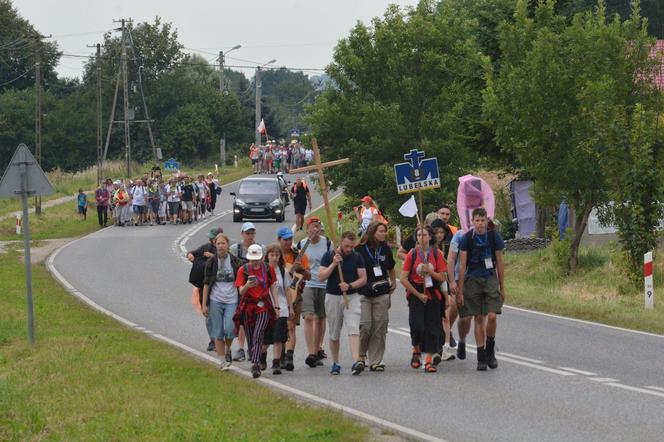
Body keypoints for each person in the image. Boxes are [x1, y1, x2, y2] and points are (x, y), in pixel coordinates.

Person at [457, 207, 506, 371]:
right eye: (477, 220)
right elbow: (463, 265)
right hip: (473, 279)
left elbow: (500, 261)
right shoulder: (466, 239)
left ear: (487, 221)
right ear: (472, 221)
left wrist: (502, 286)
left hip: (490, 277)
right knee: (478, 317)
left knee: (491, 316)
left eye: (482, 220)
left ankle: (490, 349)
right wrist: (460, 290)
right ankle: (481, 356)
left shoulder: (493, 237)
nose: (480, 224)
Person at [318, 231, 367, 375]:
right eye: (346, 246)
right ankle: (335, 362)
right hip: (333, 296)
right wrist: (333, 264)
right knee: (334, 332)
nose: (349, 249)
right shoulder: (329, 255)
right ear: (340, 242)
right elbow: (321, 276)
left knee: (353, 327)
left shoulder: (357, 257)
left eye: (351, 247)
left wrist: (350, 286)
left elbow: (363, 278)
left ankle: (356, 361)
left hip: (352, 296)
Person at [400, 226, 447, 373]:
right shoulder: (412, 254)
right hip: (416, 293)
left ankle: (428, 361)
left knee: (432, 327)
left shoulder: (437, 254)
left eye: (424, 234)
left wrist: (430, 271)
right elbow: (403, 278)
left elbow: (442, 277)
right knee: (417, 326)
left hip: (433, 293)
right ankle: (416, 351)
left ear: (430, 237)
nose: (421, 237)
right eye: (419, 234)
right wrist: (418, 294)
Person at [234, 244, 280, 378]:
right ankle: (254, 355)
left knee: (258, 333)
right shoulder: (243, 270)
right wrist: (248, 285)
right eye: (252, 258)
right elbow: (241, 292)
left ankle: (255, 363)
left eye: (257, 258)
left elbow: (273, 287)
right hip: (248, 305)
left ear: (261, 258)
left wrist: (276, 306)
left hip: (264, 305)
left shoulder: (268, 269)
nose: (255, 261)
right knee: (250, 336)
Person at [356, 221, 396, 371]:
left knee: (380, 326)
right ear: (372, 232)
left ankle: (376, 360)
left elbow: (391, 266)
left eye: (385, 231)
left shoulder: (385, 249)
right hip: (364, 293)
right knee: (365, 326)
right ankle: (360, 356)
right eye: (381, 231)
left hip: (382, 292)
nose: (384, 234)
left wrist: (393, 281)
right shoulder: (359, 249)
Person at [202, 233, 243, 370]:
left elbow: (241, 282)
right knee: (218, 332)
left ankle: (227, 349)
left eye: (223, 243)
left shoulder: (236, 262)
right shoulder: (211, 262)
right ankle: (222, 360)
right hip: (215, 300)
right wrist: (204, 304)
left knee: (230, 330)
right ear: (215, 245)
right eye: (218, 243)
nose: (220, 246)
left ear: (227, 244)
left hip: (232, 299)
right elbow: (206, 284)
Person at [299, 216, 332, 368]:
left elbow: (333, 262)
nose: (315, 229)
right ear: (307, 229)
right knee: (309, 317)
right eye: (312, 226)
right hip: (308, 283)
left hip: (324, 284)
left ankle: (318, 347)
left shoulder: (327, 243)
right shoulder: (302, 244)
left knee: (320, 318)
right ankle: (311, 352)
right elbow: (297, 263)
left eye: (318, 226)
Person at [230, 222, 265, 361]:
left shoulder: (261, 248)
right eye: (247, 233)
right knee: (243, 319)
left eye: (252, 233)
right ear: (242, 234)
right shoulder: (235, 249)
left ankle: (255, 348)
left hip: (257, 289)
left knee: (257, 320)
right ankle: (240, 348)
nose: (250, 236)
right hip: (241, 287)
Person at [278, 227, 311, 371]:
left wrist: (301, 270)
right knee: (280, 327)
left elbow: (309, 276)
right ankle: (281, 355)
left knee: (291, 326)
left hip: (294, 295)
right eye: (285, 239)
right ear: (279, 239)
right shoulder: (273, 254)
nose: (288, 242)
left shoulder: (299, 255)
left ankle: (289, 358)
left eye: (290, 239)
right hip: (277, 296)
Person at [188, 227, 223, 351]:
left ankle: (220, 338)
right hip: (206, 286)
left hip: (221, 287)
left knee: (220, 315)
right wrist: (190, 255)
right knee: (208, 315)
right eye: (211, 237)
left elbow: (228, 260)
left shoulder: (225, 248)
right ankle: (212, 339)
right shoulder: (206, 246)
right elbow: (194, 252)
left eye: (213, 237)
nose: (211, 239)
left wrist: (213, 256)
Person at [262, 244, 295, 375]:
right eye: (272, 255)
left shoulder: (283, 271)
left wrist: (290, 307)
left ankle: (276, 363)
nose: (274, 258)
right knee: (265, 338)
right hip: (265, 308)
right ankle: (262, 357)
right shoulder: (263, 270)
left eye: (277, 255)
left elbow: (287, 290)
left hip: (281, 308)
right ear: (267, 256)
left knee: (278, 337)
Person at [430, 218, 456, 361]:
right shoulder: (426, 248)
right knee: (432, 318)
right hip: (429, 286)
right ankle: (430, 348)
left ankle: (445, 348)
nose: (439, 235)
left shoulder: (447, 246)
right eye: (436, 232)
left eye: (442, 232)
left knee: (445, 315)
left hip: (442, 283)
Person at [447, 227, 472, 361]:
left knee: (471, 317)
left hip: (477, 279)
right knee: (461, 313)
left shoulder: (487, 232)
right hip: (459, 278)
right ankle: (452, 335)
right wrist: (452, 281)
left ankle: (464, 341)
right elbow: (451, 259)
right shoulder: (458, 235)